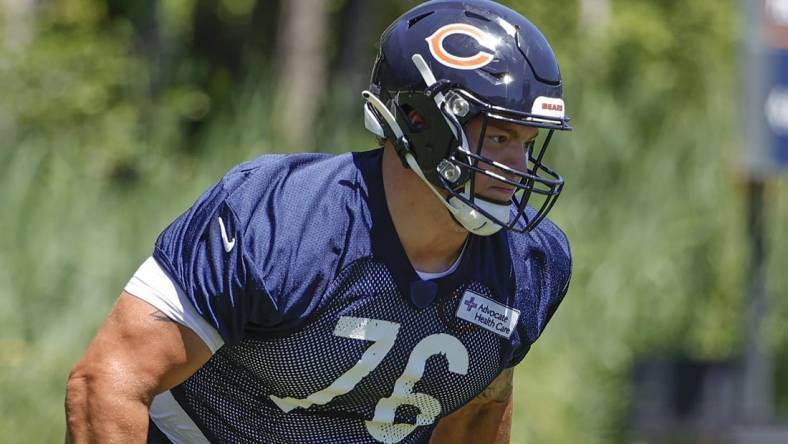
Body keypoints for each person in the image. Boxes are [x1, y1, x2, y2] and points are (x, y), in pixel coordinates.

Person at [65, 0, 573, 442]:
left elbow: (478, 409)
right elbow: (110, 383)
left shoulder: (529, 263)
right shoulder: (284, 218)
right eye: (501, 139)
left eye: (528, 143)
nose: (519, 171)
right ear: (421, 123)